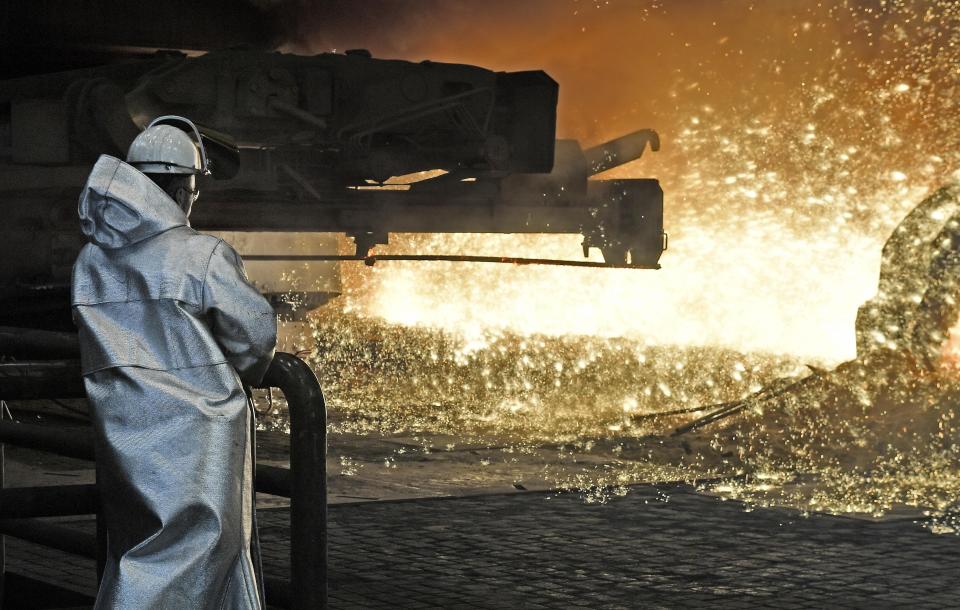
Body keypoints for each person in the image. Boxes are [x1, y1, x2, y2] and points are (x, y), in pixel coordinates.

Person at [71, 116, 276, 609]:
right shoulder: (200, 256)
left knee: (140, 548)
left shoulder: (90, 262)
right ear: (185, 190)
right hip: (198, 437)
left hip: (123, 429)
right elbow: (254, 337)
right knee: (199, 551)